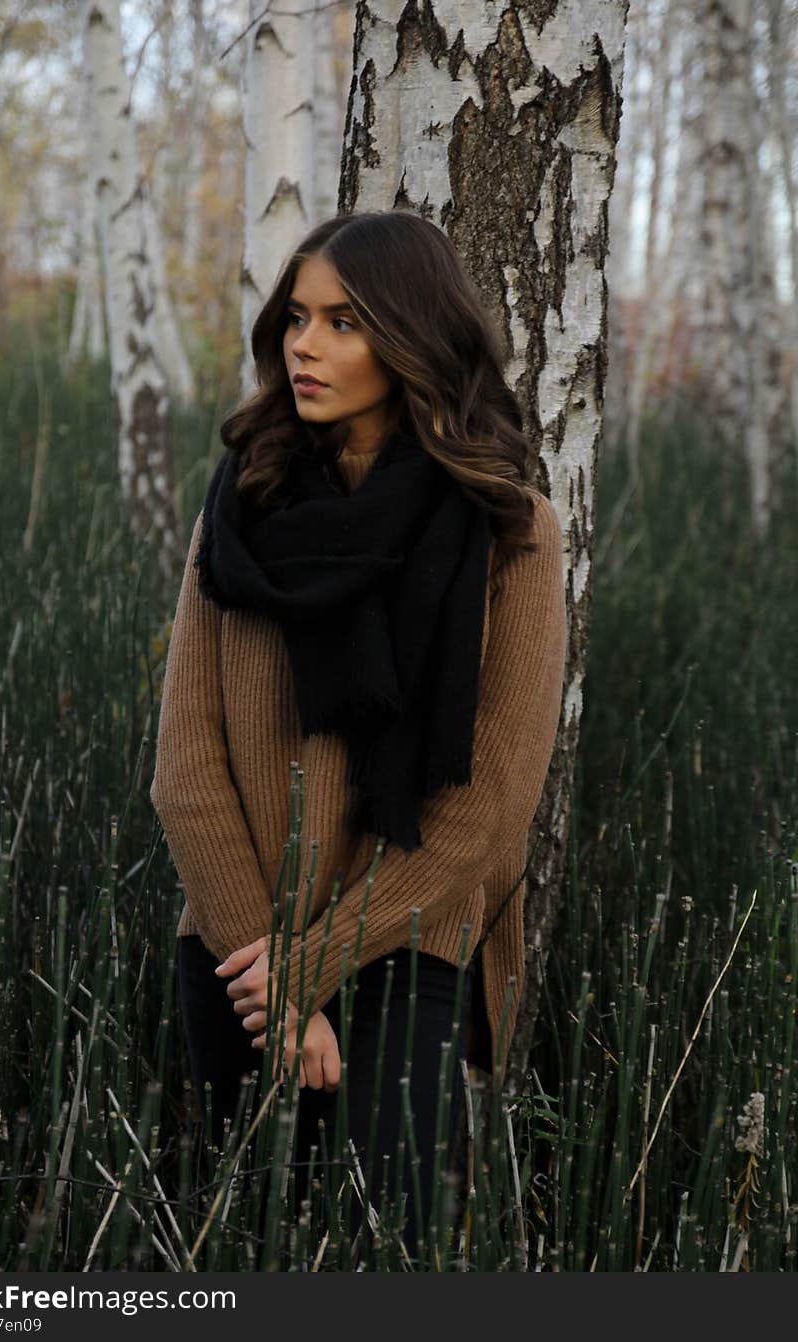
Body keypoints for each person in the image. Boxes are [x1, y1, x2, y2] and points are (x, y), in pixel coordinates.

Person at [150, 209, 567, 1262]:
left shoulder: (507, 528)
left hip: (404, 953)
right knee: (234, 1249)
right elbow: (185, 770)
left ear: (412, 335)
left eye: (343, 321)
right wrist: (269, 979)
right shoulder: (240, 506)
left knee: (388, 1262)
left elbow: (489, 805)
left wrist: (314, 967)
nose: (304, 343)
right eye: (296, 316)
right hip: (237, 953)